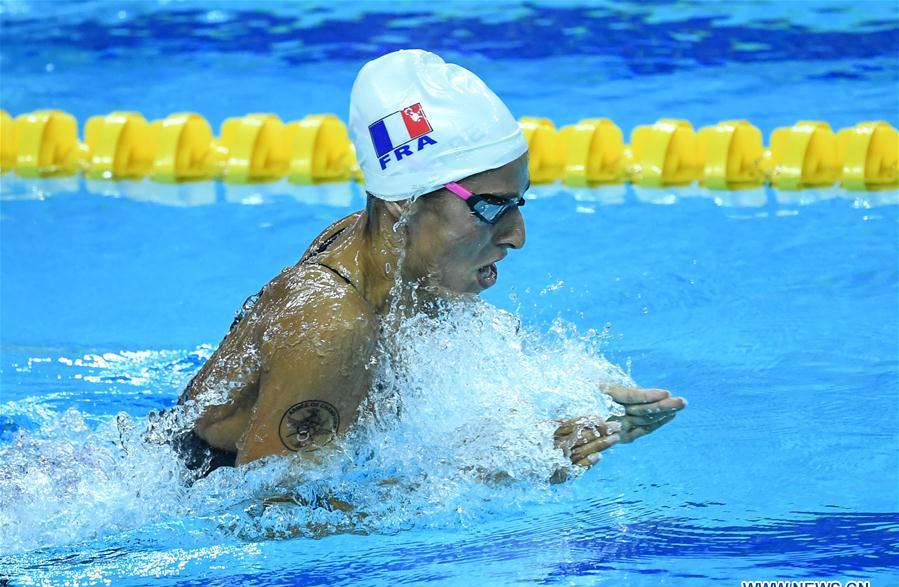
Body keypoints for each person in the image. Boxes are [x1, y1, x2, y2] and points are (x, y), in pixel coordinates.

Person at [169, 49, 686, 479]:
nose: (516, 236)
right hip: (179, 498)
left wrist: (572, 409)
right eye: (489, 206)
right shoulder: (332, 321)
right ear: (403, 202)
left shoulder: (382, 250)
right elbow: (263, 516)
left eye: (519, 202)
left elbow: (428, 376)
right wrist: (494, 476)